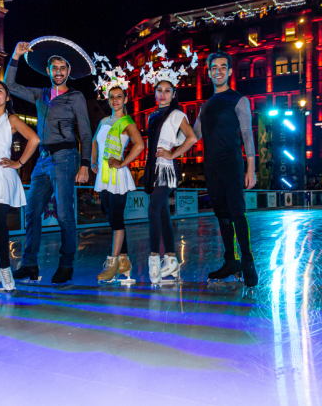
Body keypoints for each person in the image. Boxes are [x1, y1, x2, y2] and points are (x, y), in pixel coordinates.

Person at [5, 37, 94, 285]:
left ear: (69, 72)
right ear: (48, 70)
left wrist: (85, 163)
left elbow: (85, 132)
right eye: (54, 67)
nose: (58, 71)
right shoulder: (40, 94)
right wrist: (15, 56)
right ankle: (30, 265)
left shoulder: (75, 97)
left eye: (62, 68)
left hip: (66, 157)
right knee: (31, 213)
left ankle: (66, 265)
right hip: (42, 159)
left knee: (65, 213)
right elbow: (9, 85)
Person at [193, 51, 258, 288]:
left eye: (222, 67)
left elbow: (248, 135)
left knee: (237, 212)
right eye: (213, 68)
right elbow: (194, 135)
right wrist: (170, 145)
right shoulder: (206, 106)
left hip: (231, 162)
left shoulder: (238, 100)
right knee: (221, 214)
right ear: (209, 73)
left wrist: (250, 168)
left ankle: (248, 261)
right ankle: (231, 261)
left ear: (229, 72)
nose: (218, 71)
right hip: (210, 165)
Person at [139, 40, 198, 284]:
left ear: (174, 94)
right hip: (153, 169)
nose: (162, 94)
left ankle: (154, 257)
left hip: (166, 170)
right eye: (158, 90)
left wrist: (173, 154)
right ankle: (172, 260)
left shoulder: (177, 114)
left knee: (153, 210)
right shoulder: (153, 115)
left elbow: (192, 137)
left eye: (166, 90)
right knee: (162, 214)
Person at [0, 80, 40, 292]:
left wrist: (18, 163)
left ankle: (4, 270)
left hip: (3, 175)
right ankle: (0, 269)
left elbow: (34, 139)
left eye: (0, 91)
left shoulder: (10, 118)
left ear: (7, 97)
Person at [90, 60, 144, 284]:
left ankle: (113, 262)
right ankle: (124, 261)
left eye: (119, 96)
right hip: (102, 176)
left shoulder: (127, 121)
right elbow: (94, 142)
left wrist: (123, 163)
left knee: (117, 218)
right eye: (112, 97)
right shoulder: (104, 120)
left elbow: (140, 145)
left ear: (125, 99)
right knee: (110, 217)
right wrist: (93, 161)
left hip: (117, 176)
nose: (115, 100)